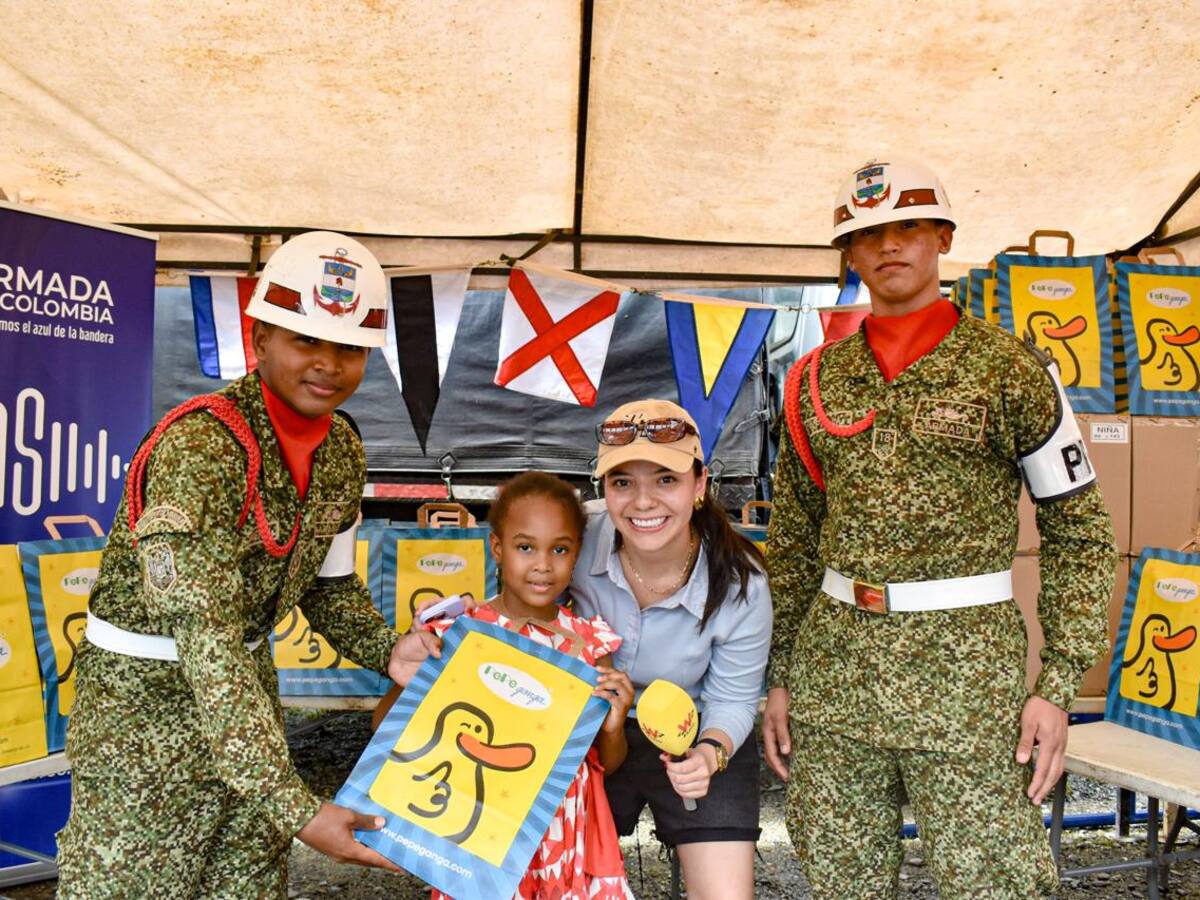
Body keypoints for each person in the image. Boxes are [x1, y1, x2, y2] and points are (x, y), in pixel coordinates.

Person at [760, 157, 1117, 898]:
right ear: (847, 255)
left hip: (968, 679)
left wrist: (1056, 685)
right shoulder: (814, 379)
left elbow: (1080, 530)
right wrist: (782, 677)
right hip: (837, 674)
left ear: (943, 236)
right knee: (839, 878)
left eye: (910, 226)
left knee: (994, 883)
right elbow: (793, 542)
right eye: (869, 233)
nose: (890, 245)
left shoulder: (1010, 369)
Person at [57, 232, 440, 898]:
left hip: (246, 698)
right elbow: (205, 644)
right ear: (259, 337)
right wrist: (297, 808)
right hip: (141, 714)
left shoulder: (342, 448)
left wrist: (389, 651)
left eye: (349, 348)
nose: (328, 365)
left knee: (247, 885)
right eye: (305, 341)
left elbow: (329, 588)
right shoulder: (199, 447)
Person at [569, 399, 772, 900]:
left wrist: (711, 753)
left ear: (699, 486)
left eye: (665, 479)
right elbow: (515, 610)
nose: (643, 502)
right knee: (542, 876)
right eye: (622, 482)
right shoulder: (572, 540)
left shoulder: (742, 582)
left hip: (695, 730)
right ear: (603, 490)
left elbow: (734, 698)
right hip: (588, 729)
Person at [420, 471, 637, 899]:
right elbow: (386, 725)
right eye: (525, 547)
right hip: (480, 824)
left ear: (576, 553)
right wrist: (416, 664)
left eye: (560, 549)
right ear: (497, 548)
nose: (542, 564)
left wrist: (614, 725)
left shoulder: (590, 642)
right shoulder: (463, 631)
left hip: (565, 832)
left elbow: (606, 764)